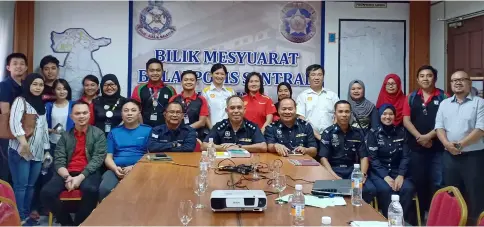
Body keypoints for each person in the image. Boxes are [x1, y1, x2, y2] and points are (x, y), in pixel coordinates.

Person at [40, 101, 107, 226]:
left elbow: (97, 159)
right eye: (77, 113)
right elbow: (59, 160)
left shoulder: (98, 134)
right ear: (72, 117)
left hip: (88, 172)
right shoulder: (65, 136)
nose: (81, 116)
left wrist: (80, 178)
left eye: (84, 113)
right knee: (46, 193)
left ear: (89, 114)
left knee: (91, 190)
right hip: (66, 172)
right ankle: (67, 223)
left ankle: (80, 223)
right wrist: (67, 177)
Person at [435, 71, 484, 225]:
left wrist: (460, 145)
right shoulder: (444, 103)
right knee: (452, 194)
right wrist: (447, 144)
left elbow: (480, 129)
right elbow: (439, 127)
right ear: (450, 84)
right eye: (454, 80)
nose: (458, 82)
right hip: (450, 157)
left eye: (462, 79)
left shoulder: (479, 103)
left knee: (476, 194)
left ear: (469, 83)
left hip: (473, 157)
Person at [402, 65, 448, 218]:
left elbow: (446, 121)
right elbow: (406, 120)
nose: (425, 78)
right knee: (419, 181)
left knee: (437, 182)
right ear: (417, 79)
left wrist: (428, 136)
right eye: (422, 76)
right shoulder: (411, 97)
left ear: (434, 78)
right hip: (416, 148)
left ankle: (436, 215)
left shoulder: (444, 97)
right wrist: (420, 138)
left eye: (429, 76)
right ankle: (420, 214)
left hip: (438, 148)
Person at [8, 73, 50, 223]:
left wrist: (46, 150)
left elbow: (44, 129)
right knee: (21, 186)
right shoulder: (21, 101)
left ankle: (25, 215)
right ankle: (19, 218)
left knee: (31, 186)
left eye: (41, 85)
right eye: (35, 84)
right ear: (28, 85)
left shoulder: (41, 105)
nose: (38, 87)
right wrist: (24, 144)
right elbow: (14, 124)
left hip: (37, 153)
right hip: (21, 150)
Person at [32, 79, 75, 220]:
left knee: (66, 174)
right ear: (54, 91)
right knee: (48, 174)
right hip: (51, 145)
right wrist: (50, 130)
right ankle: (47, 207)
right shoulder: (49, 106)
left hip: (69, 146)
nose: (61, 91)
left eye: (64, 89)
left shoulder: (74, 105)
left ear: (68, 91)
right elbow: (42, 125)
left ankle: (63, 208)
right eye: (58, 89)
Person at [319, 100, 376, 203]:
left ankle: (361, 216)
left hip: (352, 170)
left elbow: (364, 157)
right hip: (333, 170)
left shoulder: (358, 133)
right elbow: (323, 158)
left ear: (351, 113)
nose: (344, 115)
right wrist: (333, 175)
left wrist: (362, 174)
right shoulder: (328, 132)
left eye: (347, 111)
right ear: (335, 114)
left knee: (369, 189)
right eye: (340, 111)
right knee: (333, 190)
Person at [367, 104, 414, 220]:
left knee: (408, 188)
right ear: (380, 115)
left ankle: (402, 220)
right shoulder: (373, 133)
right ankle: (387, 220)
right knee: (385, 189)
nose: (387, 117)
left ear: (394, 116)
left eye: (391, 114)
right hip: (379, 173)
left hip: (398, 171)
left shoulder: (401, 132)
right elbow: (373, 159)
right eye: (384, 114)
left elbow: (406, 156)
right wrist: (385, 177)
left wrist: (401, 175)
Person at [99, 100, 151, 201]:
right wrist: (115, 169)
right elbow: (108, 157)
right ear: (121, 114)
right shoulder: (114, 132)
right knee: (105, 189)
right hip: (116, 170)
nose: (129, 113)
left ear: (139, 113)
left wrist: (134, 167)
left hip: (141, 169)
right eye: (126, 110)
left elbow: (150, 155)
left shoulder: (148, 130)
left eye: (133, 110)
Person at [202, 95, 267, 153]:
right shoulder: (219, 127)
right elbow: (204, 146)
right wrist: (223, 148)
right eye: (232, 108)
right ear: (227, 111)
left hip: (247, 164)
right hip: (223, 163)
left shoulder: (252, 127)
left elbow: (263, 147)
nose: (236, 111)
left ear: (244, 110)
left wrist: (239, 147)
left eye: (239, 107)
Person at [0, 53, 27, 182]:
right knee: (7, 167)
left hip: (21, 131)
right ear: (8, 67)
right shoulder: (4, 85)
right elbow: (5, 112)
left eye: (22, 64)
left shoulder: (25, 85)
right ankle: (6, 200)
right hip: (7, 132)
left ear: (26, 67)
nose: (19, 66)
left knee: (18, 167)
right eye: (15, 63)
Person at [296, 64, 339, 140]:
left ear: (323, 77)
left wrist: (332, 132)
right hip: (310, 137)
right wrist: (317, 136)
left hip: (330, 136)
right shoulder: (302, 96)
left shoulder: (332, 95)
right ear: (308, 78)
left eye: (319, 75)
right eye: (313, 75)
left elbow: (338, 115)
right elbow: (301, 118)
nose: (316, 78)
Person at [131, 58, 176, 127]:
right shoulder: (139, 89)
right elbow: (135, 111)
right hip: (144, 130)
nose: (155, 73)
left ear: (162, 72)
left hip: (165, 131)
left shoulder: (170, 90)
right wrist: (143, 128)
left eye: (158, 70)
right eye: (152, 70)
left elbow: (174, 112)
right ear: (146, 72)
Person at [169, 70, 209, 139]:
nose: (188, 82)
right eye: (186, 80)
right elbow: (169, 118)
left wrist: (185, 129)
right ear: (181, 82)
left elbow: (202, 122)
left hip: (196, 137)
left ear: (196, 82)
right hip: (175, 135)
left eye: (192, 80)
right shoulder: (174, 99)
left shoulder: (202, 100)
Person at [201, 63, 235, 128]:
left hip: (229, 130)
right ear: (211, 74)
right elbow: (205, 114)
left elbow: (233, 112)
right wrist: (212, 130)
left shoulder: (231, 92)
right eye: (217, 73)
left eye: (222, 74)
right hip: (211, 129)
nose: (219, 76)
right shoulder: (206, 92)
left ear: (225, 75)